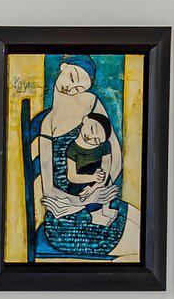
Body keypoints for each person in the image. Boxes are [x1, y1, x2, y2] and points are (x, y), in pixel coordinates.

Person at [30, 56, 137, 261]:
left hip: (97, 200)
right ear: (64, 67)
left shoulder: (91, 102)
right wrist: (83, 202)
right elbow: (49, 190)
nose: (73, 89)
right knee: (140, 251)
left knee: (149, 237)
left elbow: (114, 152)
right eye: (72, 77)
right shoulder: (48, 125)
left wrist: (101, 189)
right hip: (66, 219)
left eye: (80, 87)